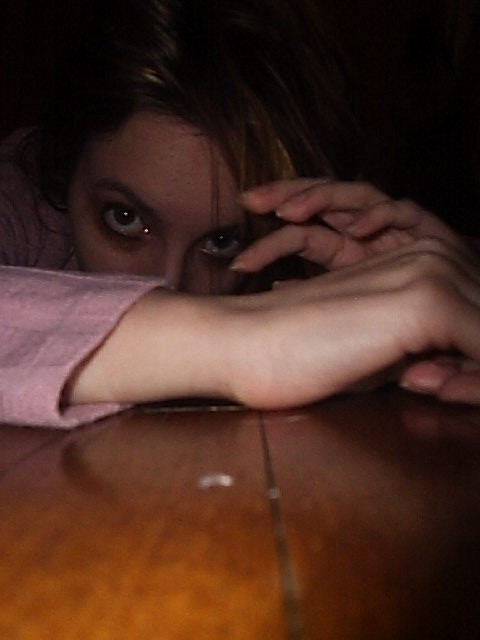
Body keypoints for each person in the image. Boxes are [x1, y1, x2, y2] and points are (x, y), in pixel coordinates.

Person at [1, 0, 479, 428]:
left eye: (221, 242)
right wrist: (256, 342)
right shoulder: (21, 198)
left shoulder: (286, 259)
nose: (168, 287)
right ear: (64, 165)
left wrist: (447, 295)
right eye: (123, 218)